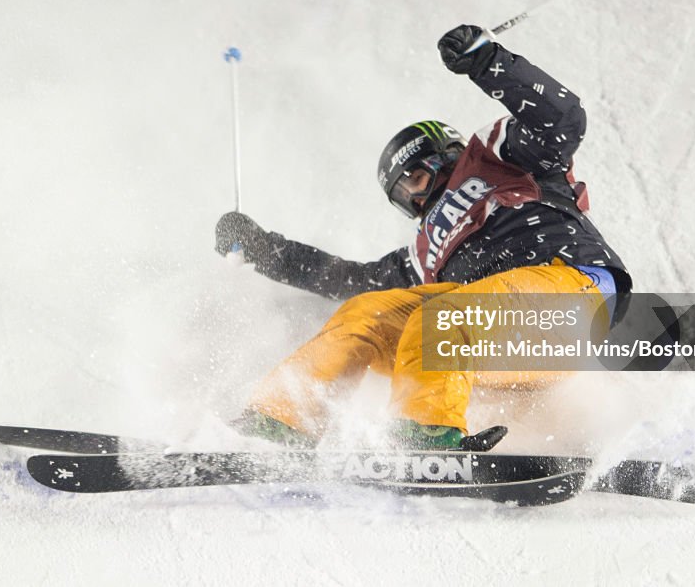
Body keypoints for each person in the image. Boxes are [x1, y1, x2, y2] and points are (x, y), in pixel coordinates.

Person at [214, 24, 632, 449]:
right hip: (496, 339)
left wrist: (488, 62)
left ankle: (427, 436)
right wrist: (264, 249)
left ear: (443, 155)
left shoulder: (498, 158)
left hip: (571, 296)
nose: (413, 197)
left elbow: (562, 119)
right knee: (367, 314)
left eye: (414, 179)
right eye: (400, 193)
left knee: (445, 315)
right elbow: (346, 277)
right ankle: (278, 425)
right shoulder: (423, 255)